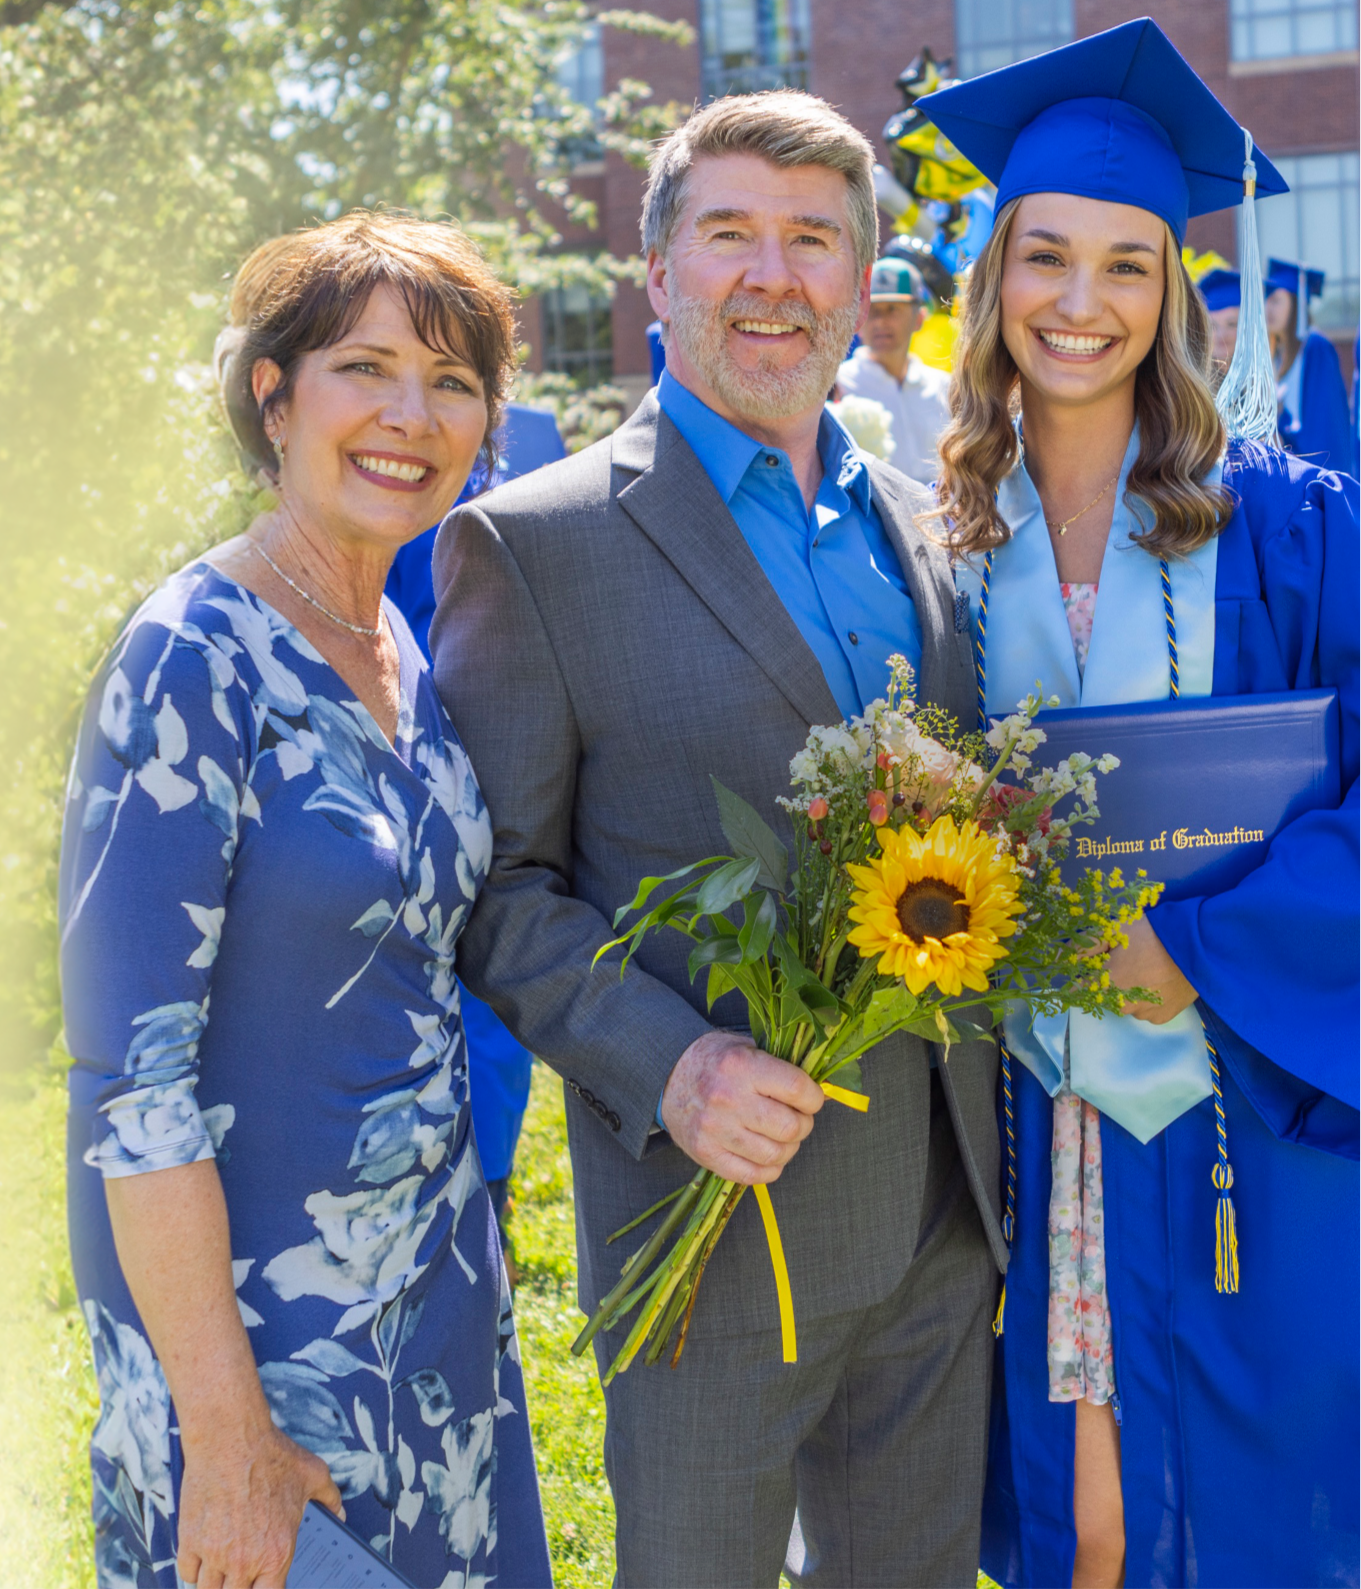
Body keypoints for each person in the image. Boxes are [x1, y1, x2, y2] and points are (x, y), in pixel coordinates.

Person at [432, 90, 1003, 1588]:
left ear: (860, 282)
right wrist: (669, 1065)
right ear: (658, 271)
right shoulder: (536, 543)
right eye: (730, 233)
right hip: (712, 1233)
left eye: (813, 239)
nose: (773, 274)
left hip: (943, 1222)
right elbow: (497, 890)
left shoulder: (922, 531)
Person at [916, 21, 1361, 1587]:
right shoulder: (935, 541)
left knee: (1254, 1508)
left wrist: (1207, 947)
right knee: (1082, 1522)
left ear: (1175, 291)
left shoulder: (1291, 526)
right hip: (1024, 1107)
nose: (1081, 306)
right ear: (994, 278)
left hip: (1240, 1093)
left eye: (1126, 266)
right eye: (1046, 259)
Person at [58, 210, 552, 1589]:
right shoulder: (190, 663)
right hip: (268, 1370)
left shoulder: (401, 638)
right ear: (271, 396)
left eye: (453, 382)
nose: (413, 415)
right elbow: (127, 1089)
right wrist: (226, 1440)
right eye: (365, 369)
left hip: (440, 1334)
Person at [383, 402, 569, 1265]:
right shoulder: (392, 447)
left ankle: (484, 1195)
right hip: (406, 743)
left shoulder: (534, 437)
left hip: (516, 761)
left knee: (494, 1001)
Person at [836, 256, 953, 484]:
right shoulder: (837, 386)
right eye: (872, 310)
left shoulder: (946, 389)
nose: (880, 322)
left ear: (919, 317)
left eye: (892, 309)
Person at [1266, 257, 1358, 475]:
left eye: (1276, 301)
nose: (1268, 308)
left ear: (1296, 304)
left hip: (1314, 473)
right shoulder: (1278, 354)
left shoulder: (1315, 348)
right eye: (1266, 300)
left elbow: (1325, 426)